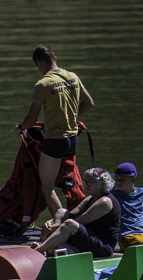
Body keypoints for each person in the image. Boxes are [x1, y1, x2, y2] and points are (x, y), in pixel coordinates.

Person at [15, 44, 93, 222]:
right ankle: (72, 218)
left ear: (39, 63)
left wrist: (20, 127)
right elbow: (89, 103)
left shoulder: (42, 84)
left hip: (55, 140)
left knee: (47, 187)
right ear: (55, 59)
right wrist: (71, 116)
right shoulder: (73, 76)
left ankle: (62, 225)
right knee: (66, 181)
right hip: (73, 138)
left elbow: (31, 119)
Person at [35, 166, 120, 258]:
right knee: (61, 212)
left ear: (102, 184)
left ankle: (38, 251)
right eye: (85, 182)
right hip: (88, 240)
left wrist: (53, 227)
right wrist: (50, 222)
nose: (86, 185)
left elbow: (79, 221)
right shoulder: (90, 198)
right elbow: (71, 215)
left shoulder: (105, 202)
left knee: (70, 224)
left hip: (103, 247)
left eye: (90, 182)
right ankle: (49, 247)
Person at [111, 161, 143, 250]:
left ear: (133, 179)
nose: (119, 182)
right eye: (117, 179)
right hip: (126, 234)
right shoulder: (112, 195)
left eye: (123, 179)